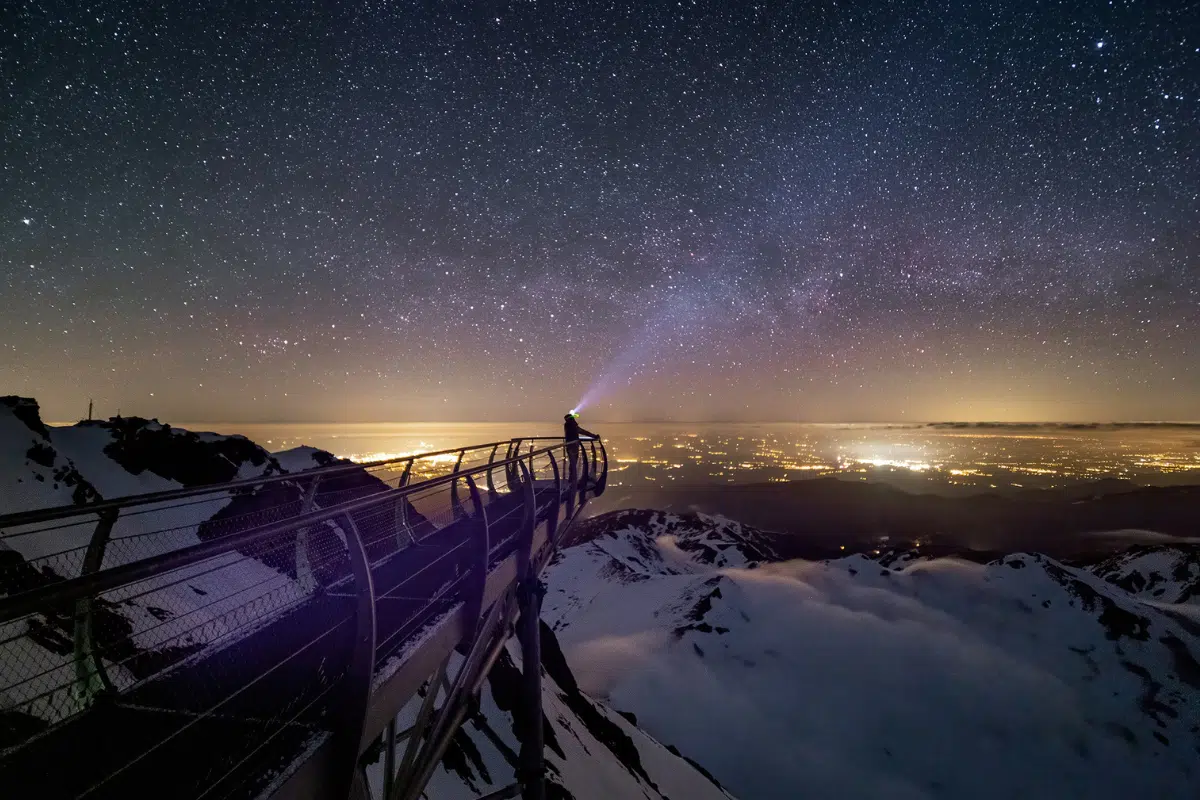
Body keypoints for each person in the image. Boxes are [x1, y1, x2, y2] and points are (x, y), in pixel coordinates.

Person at [563, 412, 598, 483]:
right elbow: (583, 432)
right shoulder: (573, 426)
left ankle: (571, 478)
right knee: (573, 462)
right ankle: (572, 479)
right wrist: (594, 436)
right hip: (574, 446)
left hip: (569, 445)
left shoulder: (567, 426)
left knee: (572, 462)